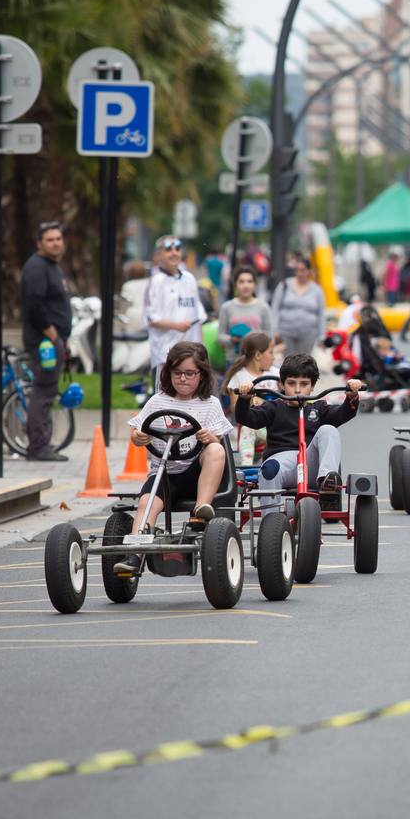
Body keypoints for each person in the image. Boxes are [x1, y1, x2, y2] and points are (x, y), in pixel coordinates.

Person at [117, 341, 234, 575]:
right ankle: (133, 556)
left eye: (189, 374)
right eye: (177, 373)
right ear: (168, 373)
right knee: (145, 503)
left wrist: (210, 437)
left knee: (215, 449)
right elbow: (137, 430)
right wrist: (138, 437)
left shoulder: (209, 404)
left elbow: (219, 440)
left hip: (196, 474)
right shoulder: (157, 401)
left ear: (201, 375)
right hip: (164, 472)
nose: (182, 379)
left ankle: (202, 509)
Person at [235, 352, 363, 507]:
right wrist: (244, 399)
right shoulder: (273, 407)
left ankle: (327, 481)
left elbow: (343, 414)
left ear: (312, 386)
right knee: (269, 469)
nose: (297, 390)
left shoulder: (318, 407)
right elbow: (247, 418)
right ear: (281, 385)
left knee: (329, 430)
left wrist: (351, 397)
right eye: (291, 383)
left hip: (311, 465)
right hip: (282, 463)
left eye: (303, 384)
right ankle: (271, 522)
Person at [18, 222, 73, 462]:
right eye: (50, 239)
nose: (55, 243)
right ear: (39, 243)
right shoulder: (36, 267)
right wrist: (52, 335)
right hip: (44, 343)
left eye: (58, 239)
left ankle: (43, 443)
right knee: (44, 391)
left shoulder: (52, 267)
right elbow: (35, 305)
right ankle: (38, 446)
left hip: (53, 340)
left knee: (48, 391)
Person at [144, 236, 206, 376]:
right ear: (159, 255)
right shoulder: (155, 282)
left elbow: (198, 316)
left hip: (192, 355)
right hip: (165, 354)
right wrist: (176, 325)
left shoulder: (189, 279)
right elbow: (151, 318)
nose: (174, 253)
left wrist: (202, 350)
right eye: (168, 249)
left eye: (177, 249)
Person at [222, 331, 276, 466]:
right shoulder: (240, 377)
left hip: (275, 427)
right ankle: (246, 467)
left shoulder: (276, 374)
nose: (273, 357)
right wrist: (247, 400)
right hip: (253, 428)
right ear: (258, 355)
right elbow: (234, 409)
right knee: (248, 427)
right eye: (271, 352)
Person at [217, 266, 274, 366]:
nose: (246, 285)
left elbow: (269, 336)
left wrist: (254, 337)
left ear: (255, 284)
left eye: (249, 281)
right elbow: (220, 337)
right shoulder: (226, 307)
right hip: (233, 361)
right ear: (235, 284)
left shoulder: (263, 307)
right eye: (241, 281)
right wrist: (232, 339)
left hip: (257, 362)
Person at [271, 257, 326, 359]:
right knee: (288, 361)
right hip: (286, 332)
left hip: (308, 334)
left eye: (303, 270)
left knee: (304, 362)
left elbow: (321, 314)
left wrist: (321, 336)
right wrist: (275, 330)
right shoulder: (284, 285)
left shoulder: (317, 290)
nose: (300, 273)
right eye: (297, 270)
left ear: (309, 271)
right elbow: (275, 309)